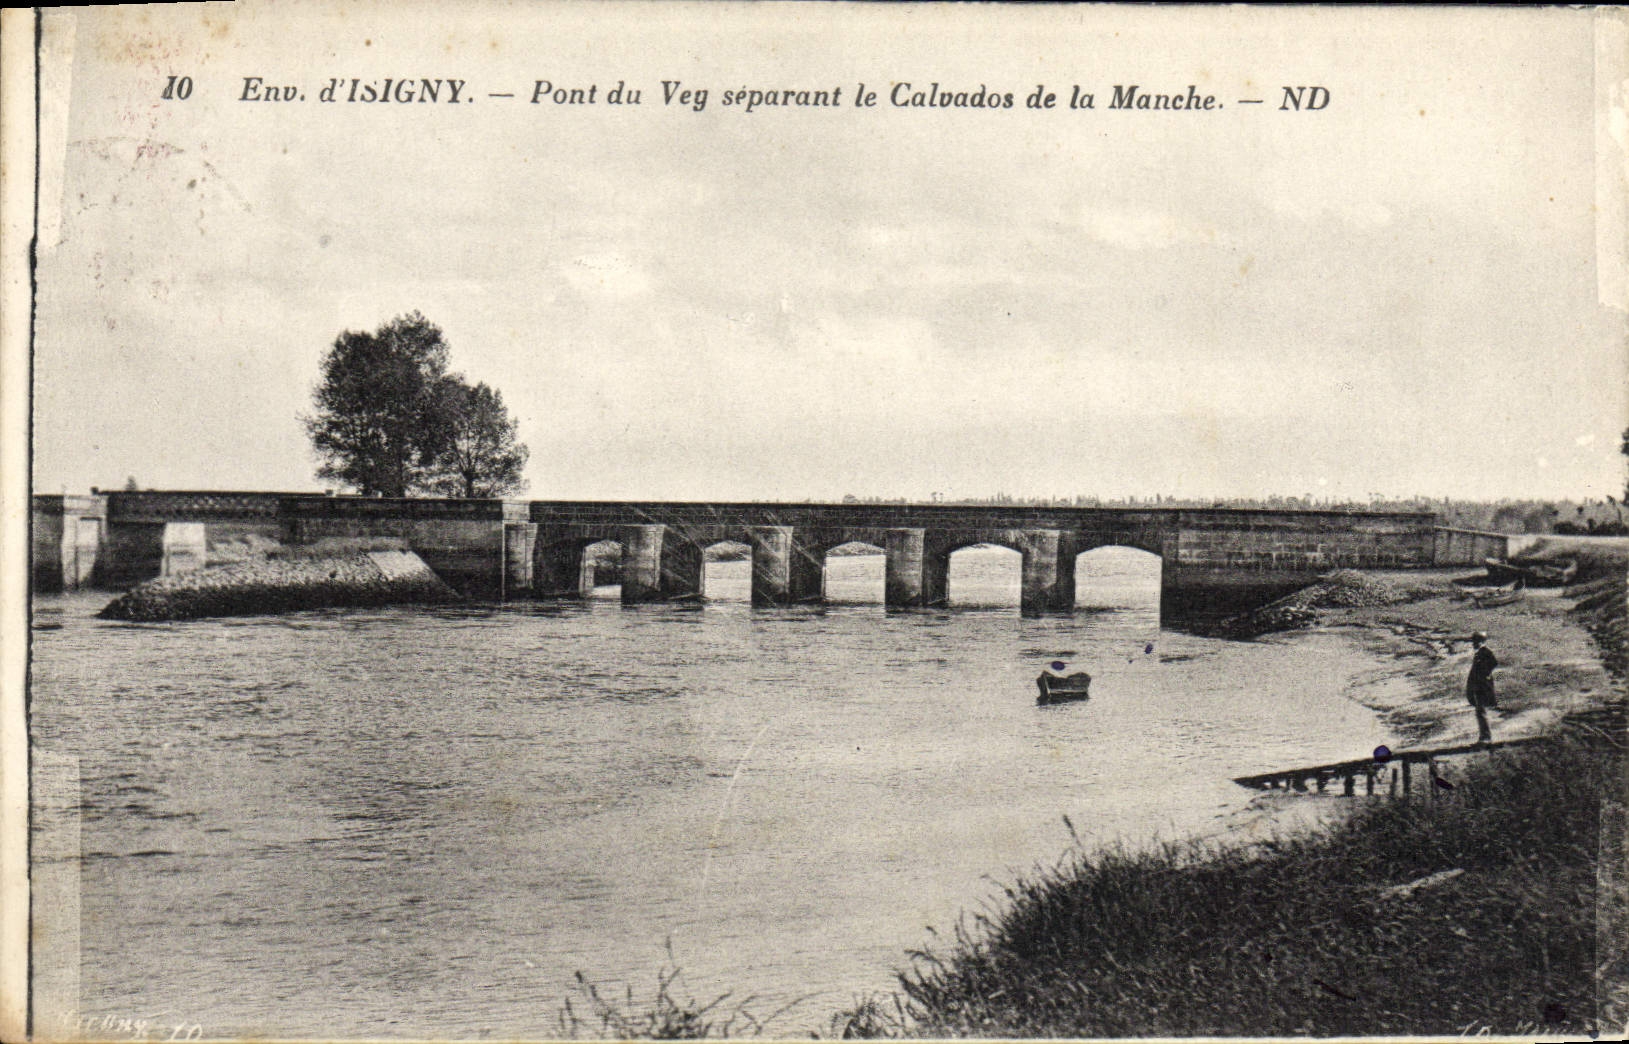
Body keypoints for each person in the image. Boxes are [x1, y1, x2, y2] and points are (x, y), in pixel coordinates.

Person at [1466, 631, 1498, 743]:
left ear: (1481, 641)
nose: (1473, 644)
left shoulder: (1485, 652)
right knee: (1479, 711)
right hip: (1479, 686)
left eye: (1475, 641)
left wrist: (1485, 675)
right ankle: (1484, 735)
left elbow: (1494, 663)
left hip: (1483, 686)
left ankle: (1486, 736)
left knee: (1481, 711)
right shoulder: (1480, 653)